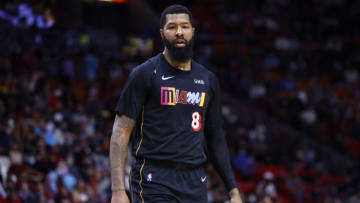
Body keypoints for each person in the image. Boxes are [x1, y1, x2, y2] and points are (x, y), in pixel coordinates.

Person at [110, 4, 243, 203]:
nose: (179, 32)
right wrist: (118, 190)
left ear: (193, 32)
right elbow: (120, 131)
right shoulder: (144, 74)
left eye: (184, 26)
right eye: (172, 27)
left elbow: (215, 137)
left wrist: (233, 190)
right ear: (162, 33)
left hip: (195, 179)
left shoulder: (208, 80)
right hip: (154, 177)